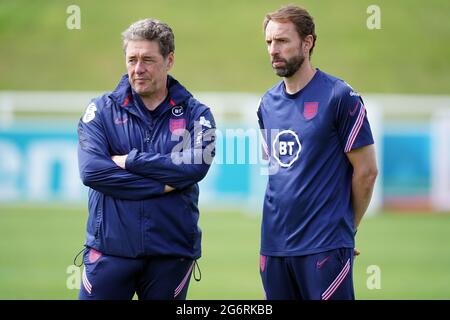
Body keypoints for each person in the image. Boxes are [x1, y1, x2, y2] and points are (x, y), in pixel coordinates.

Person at [76, 18, 215, 300]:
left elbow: (195, 166)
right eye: (132, 59)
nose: (138, 69)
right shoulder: (100, 110)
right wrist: (162, 184)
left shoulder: (197, 114)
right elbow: (92, 172)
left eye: (148, 60)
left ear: (169, 60)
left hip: (171, 255)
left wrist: (131, 161)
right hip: (109, 252)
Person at [257, 5, 378, 300]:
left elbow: (367, 172)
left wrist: (348, 229)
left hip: (324, 247)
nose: (274, 49)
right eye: (270, 42)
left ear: (307, 42)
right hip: (273, 248)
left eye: (283, 41)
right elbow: (277, 172)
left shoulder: (340, 96)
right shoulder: (266, 103)